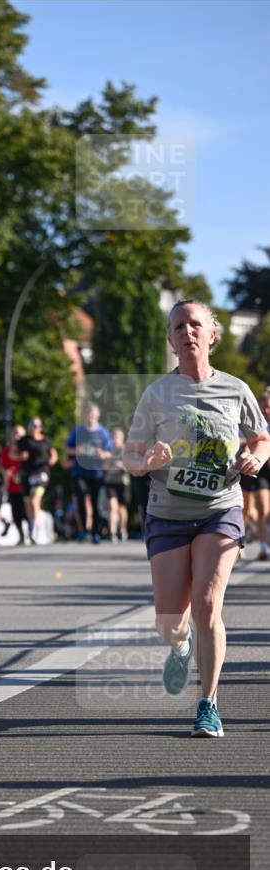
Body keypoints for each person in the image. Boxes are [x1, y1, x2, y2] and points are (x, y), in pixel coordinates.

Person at [124, 299, 270, 738]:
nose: (186, 332)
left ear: (212, 334)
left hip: (219, 509)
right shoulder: (156, 394)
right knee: (170, 621)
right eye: (178, 327)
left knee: (207, 606)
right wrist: (147, 461)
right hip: (167, 513)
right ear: (170, 340)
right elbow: (130, 455)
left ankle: (208, 704)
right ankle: (181, 646)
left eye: (194, 324)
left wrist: (256, 457)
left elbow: (262, 437)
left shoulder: (235, 389)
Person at [65, 403, 112, 544]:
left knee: (96, 503)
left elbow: (109, 453)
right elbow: (67, 449)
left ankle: (96, 532)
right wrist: (76, 451)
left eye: (93, 412)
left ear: (98, 415)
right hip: (79, 472)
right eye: (88, 412)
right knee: (80, 498)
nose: (91, 415)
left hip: (96, 473)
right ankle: (83, 530)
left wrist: (102, 454)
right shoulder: (77, 430)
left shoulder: (103, 432)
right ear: (85, 414)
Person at [240, 388, 270, 561]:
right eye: (263, 407)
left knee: (262, 510)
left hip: (264, 469)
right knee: (250, 509)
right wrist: (245, 446)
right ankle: (255, 544)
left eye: (268, 407)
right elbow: (242, 439)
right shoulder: (252, 421)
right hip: (252, 469)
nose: (265, 410)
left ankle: (262, 542)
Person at [17, 417, 58, 543]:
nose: (34, 428)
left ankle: (37, 529)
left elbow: (53, 453)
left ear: (40, 427)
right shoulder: (24, 441)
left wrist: (52, 459)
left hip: (41, 473)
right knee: (28, 503)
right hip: (27, 473)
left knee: (35, 500)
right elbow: (14, 454)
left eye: (37, 426)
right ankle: (32, 524)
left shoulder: (46, 440)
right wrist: (21, 456)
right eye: (32, 425)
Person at [0, 424, 29, 545]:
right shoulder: (6, 450)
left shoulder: (27, 448)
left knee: (26, 510)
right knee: (15, 511)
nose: (17, 436)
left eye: (19, 433)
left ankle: (31, 533)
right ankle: (21, 535)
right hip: (12, 485)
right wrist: (6, 474)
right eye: (15, 433)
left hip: (26, 485)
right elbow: (2, 466)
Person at [104, 426, 131, 541]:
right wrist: (107, 460)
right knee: (112, 507)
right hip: (110, 482)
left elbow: (132, 468)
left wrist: (121, 465)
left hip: (122, 482)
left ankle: (123, 530)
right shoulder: (108, 452)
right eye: (114, 437)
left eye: (118, 437)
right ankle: (112, 532)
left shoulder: (126, 451)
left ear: (122, 438)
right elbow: (104, 467)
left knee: (122, 508)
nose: (116, 439)